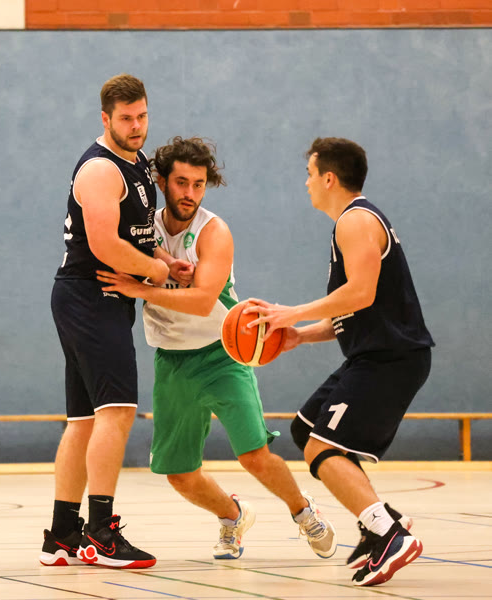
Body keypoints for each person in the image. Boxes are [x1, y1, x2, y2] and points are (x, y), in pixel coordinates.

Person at [96, 136, 337, 561]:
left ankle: (303, 511)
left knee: (254, 455)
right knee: (179, 474)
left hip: (223, 355)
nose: (190, 193)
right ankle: (232, 516)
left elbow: (203, 300)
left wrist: (141, 288)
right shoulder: (144, 228)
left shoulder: (214, 231)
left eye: (199, 184)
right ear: (162, 182)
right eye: (182, 183)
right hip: (172, 360)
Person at [247, 137, 433, 587]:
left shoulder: (356, 220)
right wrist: (299, 335)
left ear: (329, 178)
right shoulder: (352, 222)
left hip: (390, 358)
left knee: (321, 447)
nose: (307, 182)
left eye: (310, 174)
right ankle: (383, 519)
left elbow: (360, 293)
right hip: (374, 355)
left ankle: (388, 533)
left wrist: (292, 312)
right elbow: (354, 311)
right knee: (305, 429)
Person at [40, 74, 192, 570]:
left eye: (142, 115)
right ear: (105, 118)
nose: (136, 125)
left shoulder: (139, 162)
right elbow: (105, 244)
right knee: (119, 410)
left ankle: (62, 534)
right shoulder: (100, 169)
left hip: (95, 298)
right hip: (90, 295)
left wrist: (163, 260)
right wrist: (155, 271)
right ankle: (101, 533)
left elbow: (137, 233)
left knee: (84, 420)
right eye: (126, 118)